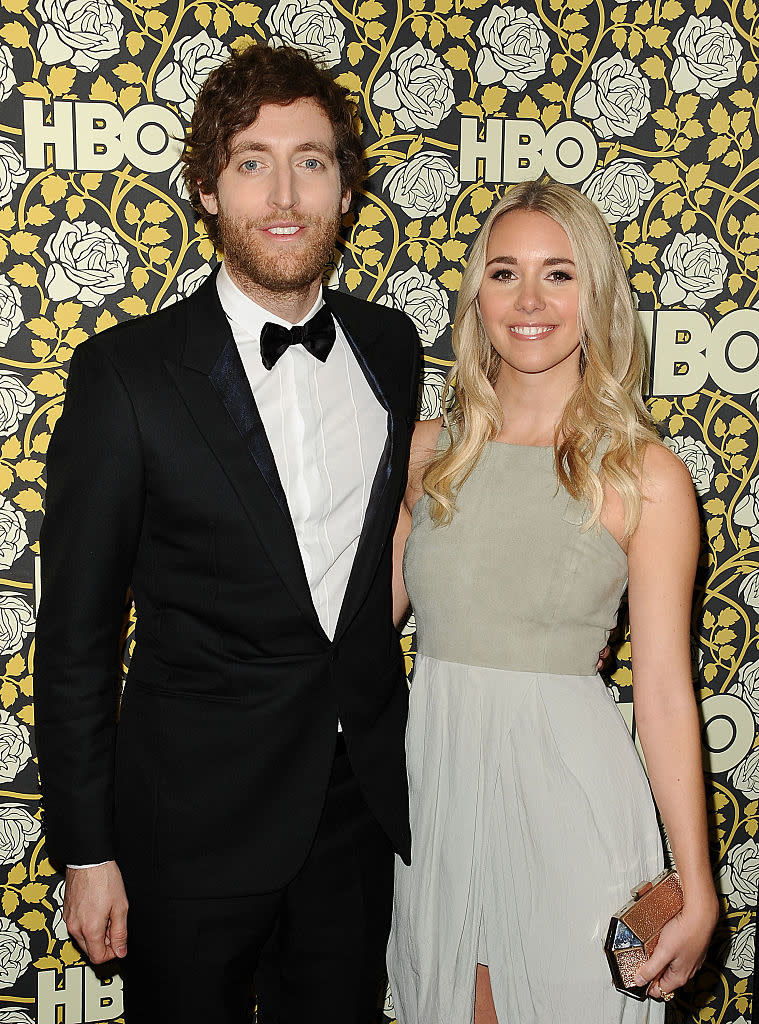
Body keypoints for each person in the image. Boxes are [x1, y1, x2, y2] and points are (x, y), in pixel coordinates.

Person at [34, 43, 420, 1024]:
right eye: (252, 161)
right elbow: (76, 634)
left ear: (345, 187)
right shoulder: (125, 377)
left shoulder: (389, 348)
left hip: (355, 814)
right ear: (207, 189)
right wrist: (87, 850)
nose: (284, 193)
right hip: (190, 826)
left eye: (312, 160)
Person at [387, 180, 718, 1023]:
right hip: (436, 799)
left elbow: (665, 695)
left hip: (567, 800)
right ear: (476, 298)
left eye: (558, 275)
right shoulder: (428, 456)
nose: (529, 300)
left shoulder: (643, 474)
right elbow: (350, 636)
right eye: (504, 273)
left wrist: (695, 884)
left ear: (594, 294)